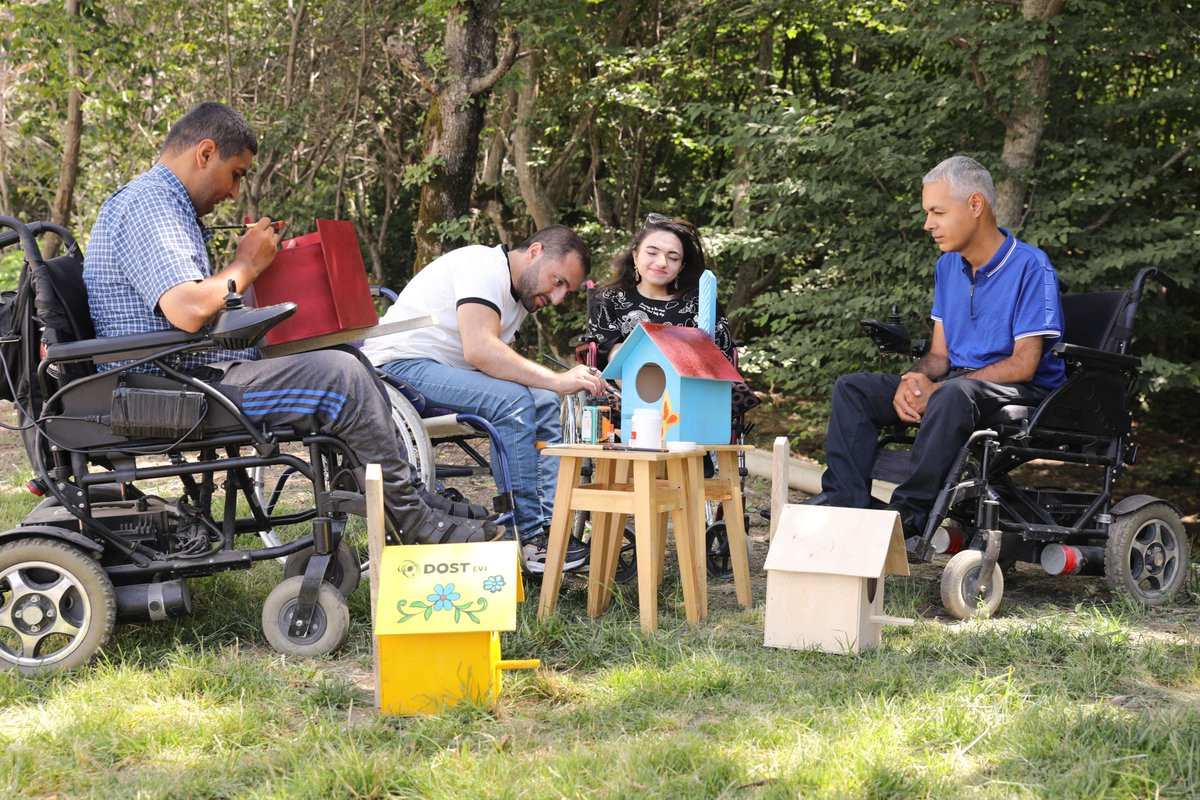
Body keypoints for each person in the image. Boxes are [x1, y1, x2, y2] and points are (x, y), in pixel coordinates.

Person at [82, 101, 494, 545]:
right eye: (236, 174)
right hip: (164, 391)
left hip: (179, 375)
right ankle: (413, 522)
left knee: (346, 357)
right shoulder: (150, 204)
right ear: (205, 153)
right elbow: (188, 310)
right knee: (341, 378)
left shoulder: (164, 205)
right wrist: (246, 263)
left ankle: (408, 497)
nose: (234, 192)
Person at [820, 155, 1066, 541]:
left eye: (937, 212)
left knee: (953, 393)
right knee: (853, 389)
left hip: (1022, 392)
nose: (928, 224)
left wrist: (938, 389)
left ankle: (910, 513)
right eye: (927, 213)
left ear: (975, 204)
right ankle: (844, 503)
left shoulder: (1031, 267)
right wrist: (914, 380)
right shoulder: (948, 266)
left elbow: (1024, 364)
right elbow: (939, 356)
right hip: (957, 387)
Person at [363, 226, 606, 573]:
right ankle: (528, 536)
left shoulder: (519, 297)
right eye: (558, 282)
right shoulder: (483, 265)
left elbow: (498, 363)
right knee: (513, 401)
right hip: (397, 366)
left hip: (441, 369)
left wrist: (552, 386)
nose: (556, 298)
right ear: (534, 252)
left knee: (544, 399)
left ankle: (551, 530)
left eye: (565, 291)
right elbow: (480, 350)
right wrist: (557, 378)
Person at [587, 214, 758, 417]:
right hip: (627, 396)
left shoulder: (698, 304)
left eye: (673, 257)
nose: (662, 262)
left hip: (691, 398)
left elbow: (719, 362)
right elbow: (616, 356)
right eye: (652, 252)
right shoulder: (607, 299)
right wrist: (651, 406)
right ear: (635, 255)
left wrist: (676, 404)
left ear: (681, 266)